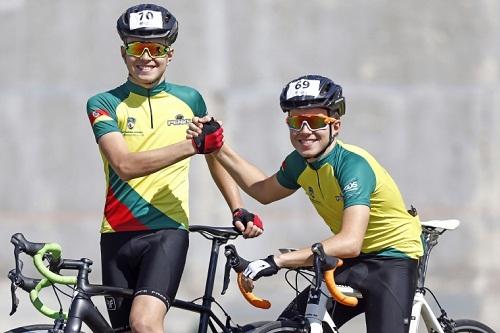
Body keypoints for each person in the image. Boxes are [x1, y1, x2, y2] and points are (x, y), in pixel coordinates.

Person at [189, 74, 423, 333]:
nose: (304, 131)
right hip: (355, 260)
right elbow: (263, 190)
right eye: (296, 121)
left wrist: (278, 261)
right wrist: (217, 146)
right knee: (296, 325)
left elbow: (350, 241)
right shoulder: (300, 163)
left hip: (393, 257)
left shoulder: (353, 166)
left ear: (336, 125)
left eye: (315, 122)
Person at [85, 4, 263, 333]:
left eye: (158, 48)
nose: (147, 57)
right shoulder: (103, 103)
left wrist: (237, 208)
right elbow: (124, 164)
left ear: (171, 54)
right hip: (115, 234)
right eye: (138, 47)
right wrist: (193, 145)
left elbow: (215, 156)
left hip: (166, 232)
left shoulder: (190, 100)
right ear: (124, 53)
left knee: (145, 323)